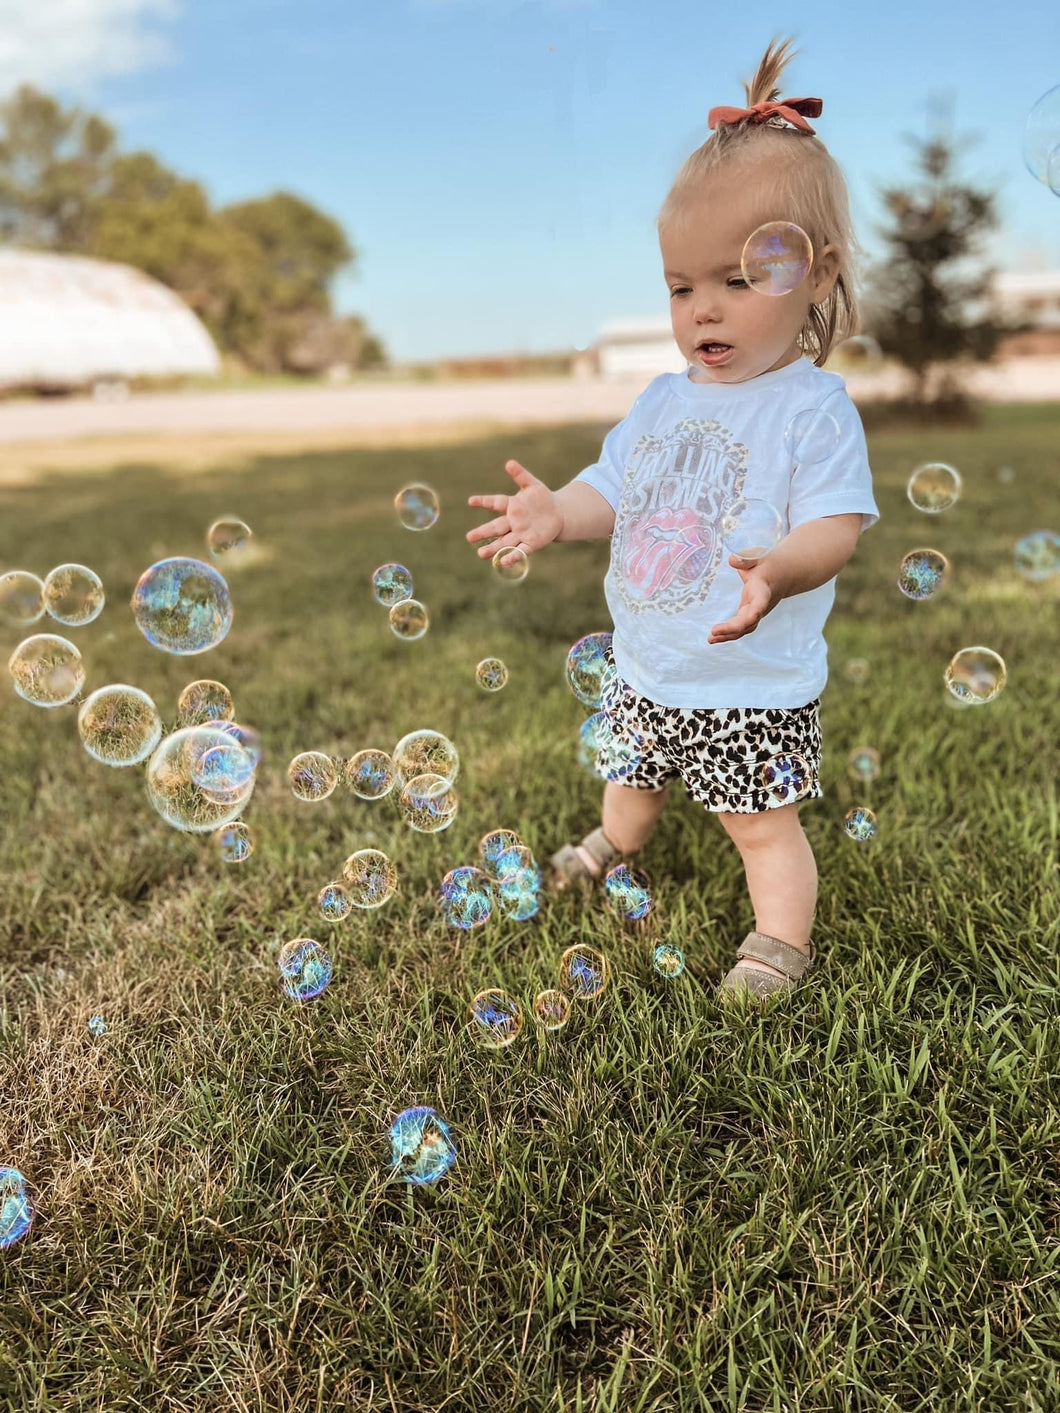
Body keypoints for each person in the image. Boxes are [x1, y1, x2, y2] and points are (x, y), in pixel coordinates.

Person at [465, 35, 879, 1002]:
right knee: (631, 770)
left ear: (816, 278)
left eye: (739, 281)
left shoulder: (812, 409)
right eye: (682, 287)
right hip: (650, 662)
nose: (705, 310)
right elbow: (612, 489)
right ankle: (617, 841)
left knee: (758, 822)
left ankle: (780, 941)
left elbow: (837, 528)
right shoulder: (659, 400)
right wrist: (554, 512)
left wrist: (777, 569)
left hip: (748, 678)